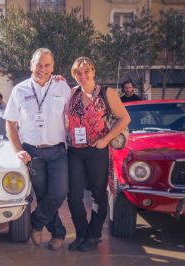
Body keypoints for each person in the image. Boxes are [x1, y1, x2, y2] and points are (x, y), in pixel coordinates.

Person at [3, 48, 71, 250]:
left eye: (47, 65)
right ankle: (58, 234)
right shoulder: (19, 90)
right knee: (42, 195)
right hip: (32, 152)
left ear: (53, 66)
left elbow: (74, 113)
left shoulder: (62, 87)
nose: (43, 69)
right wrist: (17, 150)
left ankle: (34, 222)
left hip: (57, 151)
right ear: (31, 65)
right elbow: (10, 123)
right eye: (39, 64)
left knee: (59, 193)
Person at [66, 56, 130, 252]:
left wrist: (106, 139)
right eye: (78, 72)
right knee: (74, 196)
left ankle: (94, 235)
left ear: (94, 71)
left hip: (98, 150)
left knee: (98, 195)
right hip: (75, 151)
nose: (83, 75)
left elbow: (124, 118)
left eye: (87, 71)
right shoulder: (72, 93)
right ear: (74, 75)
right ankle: (82, 233)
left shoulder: (106, 92)